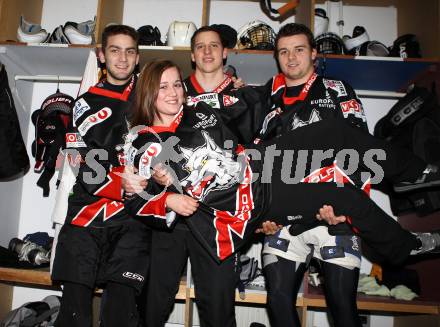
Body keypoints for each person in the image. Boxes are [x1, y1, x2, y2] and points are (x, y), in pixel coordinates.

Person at [124, 60, 440, 284]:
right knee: (344, 199)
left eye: (177, 84)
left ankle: (418, 172)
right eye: (163, 86)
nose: (173, 92)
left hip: (258, 164)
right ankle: (405, 246)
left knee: (332, 130)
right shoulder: (144, 141)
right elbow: (135, 199)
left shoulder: (198, 110)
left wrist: (240, 88)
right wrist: (167, 201)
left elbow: (248, 108)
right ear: (149, 92)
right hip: (244, 203)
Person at [258, 23, 367, 327]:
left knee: (341, 305)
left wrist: (347, 209)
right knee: (277, 299)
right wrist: (261, 213)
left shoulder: (337, 89)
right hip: (286, 217)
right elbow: (260, 162)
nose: (291, 57)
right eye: (283, 51)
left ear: (314, 53)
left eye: (299, 49)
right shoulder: (268, 98)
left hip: (332, 213)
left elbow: (361, 149)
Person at [142, 26, 251, 327]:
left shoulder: (240, 94)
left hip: (217, 216)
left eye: (213, 46)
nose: (206, 52)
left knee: (218, 309)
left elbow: (254, 151)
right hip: (172, 220)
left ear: (225, 51)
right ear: (191, 55)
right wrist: (162, 192)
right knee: (154, 302)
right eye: (200, 47)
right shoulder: (174, 91)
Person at [51, 25, 157, 327]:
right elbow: (78, 162)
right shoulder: (83, 104)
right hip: (86, 215)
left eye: (129, 51)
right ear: (101, 55)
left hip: (132, 219)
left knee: (120, 315)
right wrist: (118, 185)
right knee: (73, 315)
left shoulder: (151, 94)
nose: (122, 59)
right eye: (114, 50)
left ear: (137, 58)